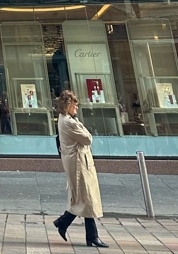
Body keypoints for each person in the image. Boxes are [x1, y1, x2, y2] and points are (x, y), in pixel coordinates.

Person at [53, 90, 108, 248]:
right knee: (86, 198)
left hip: (79, 162)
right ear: (68, 105)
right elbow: (87, 138)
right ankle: (88, 234)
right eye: (74, 104)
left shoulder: (66, 119)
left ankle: (67, 224)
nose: (77, 107)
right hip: (79, 164)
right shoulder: (69, 122)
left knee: (84, 198)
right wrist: (81, 126)